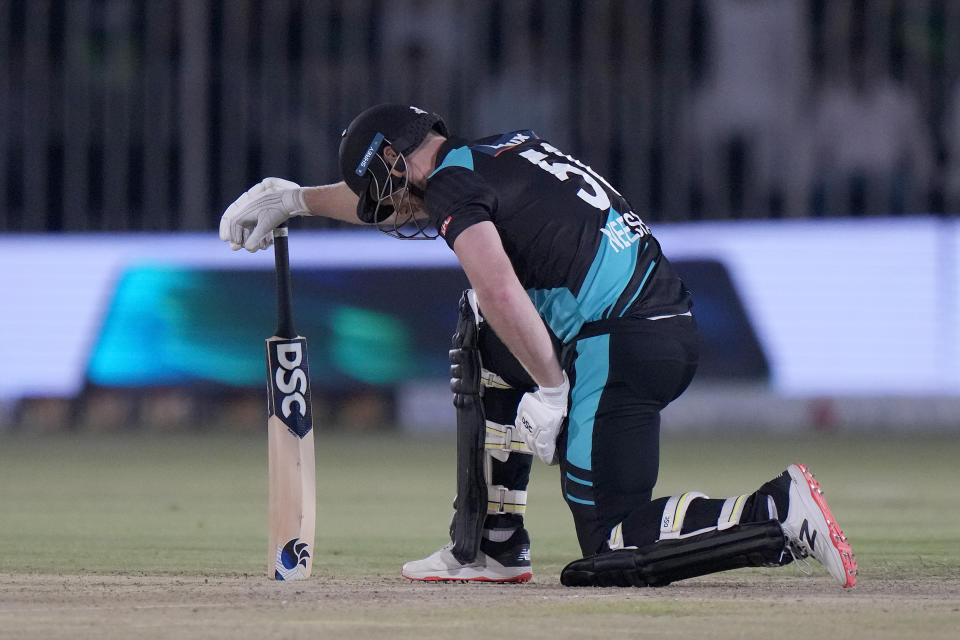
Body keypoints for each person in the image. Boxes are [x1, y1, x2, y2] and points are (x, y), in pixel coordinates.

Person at [219, 104, 857, 588]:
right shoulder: (499, 151)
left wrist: (551, 390)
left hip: (623, 339)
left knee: (608, 540)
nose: (390, 214)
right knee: (485, 339)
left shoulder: (448, 186)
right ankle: (492, 544)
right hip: (653, 324)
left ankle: (776, 508)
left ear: (392, 160)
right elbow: (414, 226)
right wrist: (294, 199)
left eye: (382, 191)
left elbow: (498, 287)